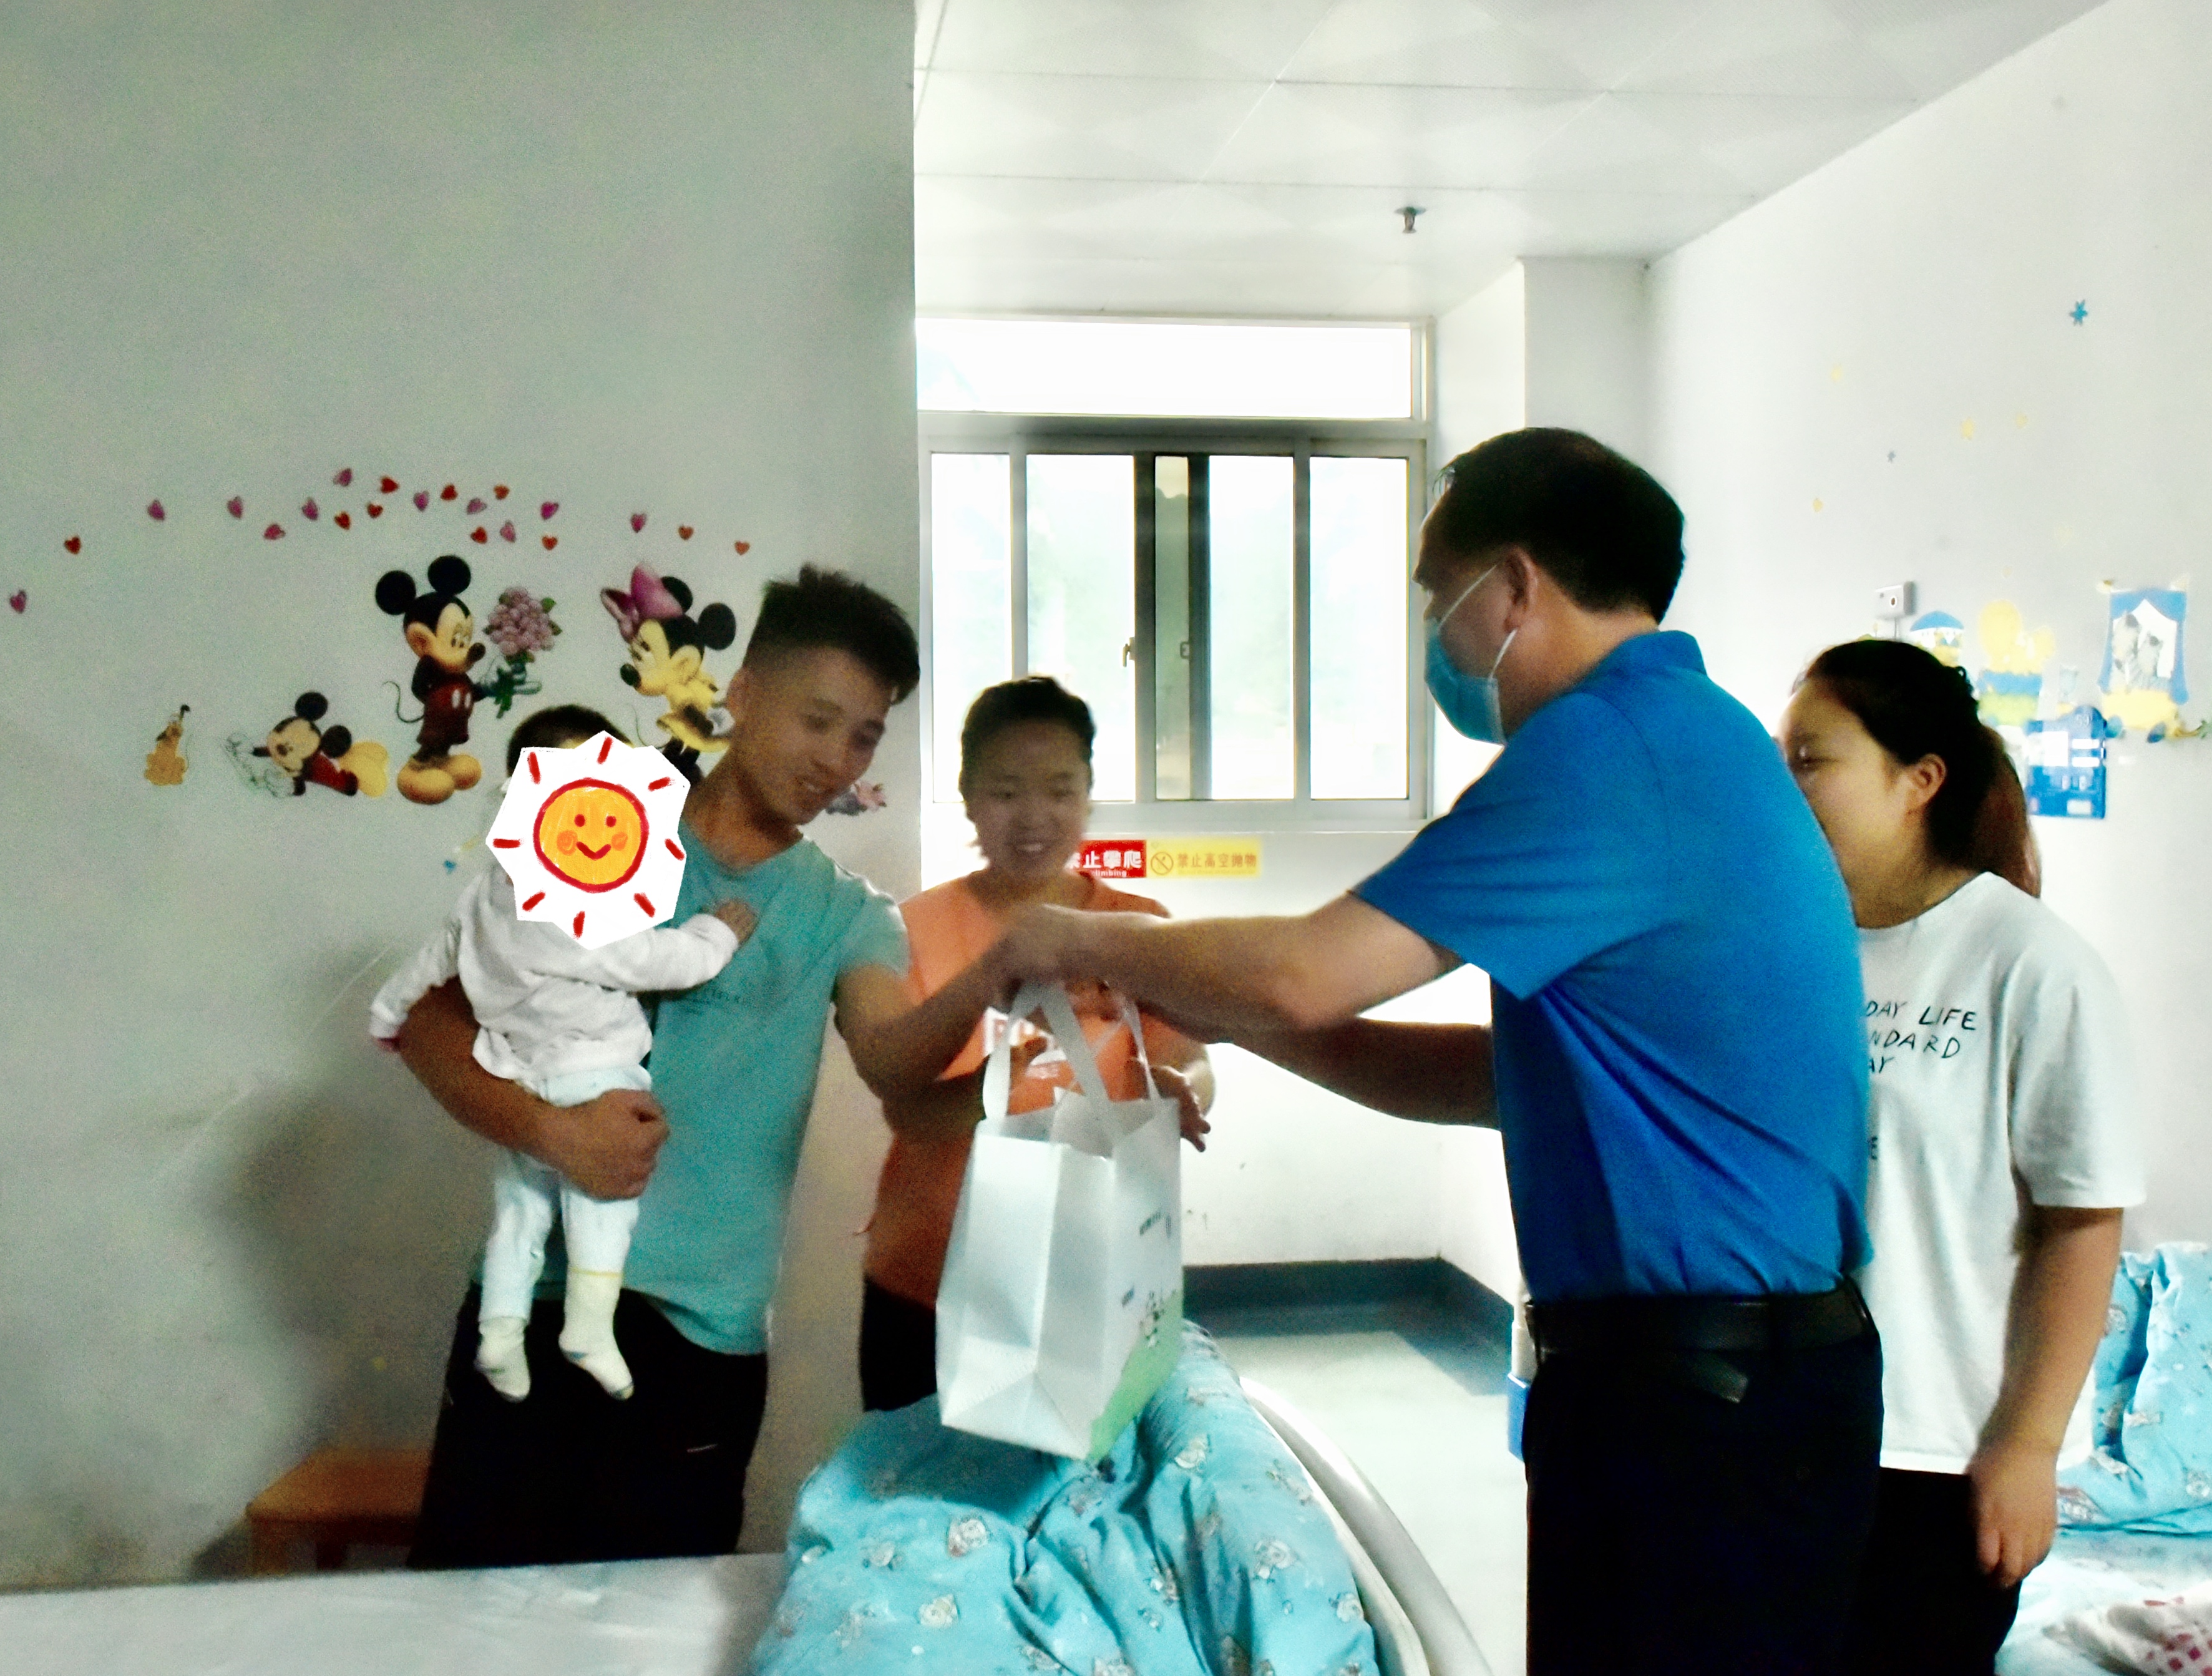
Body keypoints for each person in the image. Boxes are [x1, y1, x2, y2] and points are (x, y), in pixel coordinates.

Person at [995, 427, 1880, 1675]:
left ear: (1512, 587)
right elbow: (1494, 1081)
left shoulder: (1602, 751)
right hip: (1735, 1387)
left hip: (1699, 1404)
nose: (1432, 633)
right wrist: (1221, 1016)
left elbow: (1307, 968)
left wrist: (1078, 936)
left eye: (1435, 594)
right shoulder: (1696, 737)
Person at [389, 566, 1006, 1567]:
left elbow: (900, 1075)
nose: (837, 759)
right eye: (818, 720)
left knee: (653, 1630)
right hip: (532, 1300)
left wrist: (1013, 1015)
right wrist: (551, 1132)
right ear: (744, 693)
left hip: (700, 1344)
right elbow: (429, 1021)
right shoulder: (602, 827)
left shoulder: (848, 915)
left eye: (864, 736)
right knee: (471, 1611)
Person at [1783, 639, 2142, 1675]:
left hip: (1936, 1451)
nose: (1784, 786)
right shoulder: (1788, 947)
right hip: (1776, 1425)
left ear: (1920, 780)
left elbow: (2083, 1220)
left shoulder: (2029, 964)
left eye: (1811, 759)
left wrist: (2026, 1446)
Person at [369, 704, 756, 1403]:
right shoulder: (577, 907)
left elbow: (435, 957)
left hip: (518, 1069)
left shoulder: (489, 890)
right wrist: (718, 934)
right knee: (602, 1204)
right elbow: (660, 960)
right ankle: (588, 1327)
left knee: (520, 1209)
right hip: (592, 1070)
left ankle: (500, 1333)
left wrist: (388, 1012)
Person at [859, 676, 1212, 1413]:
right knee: (916, 1476)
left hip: (1087, 1275)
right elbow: (907, 1111)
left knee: (1075, 1477)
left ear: (1088, 794)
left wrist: (1180, 1091)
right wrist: (998, 1081)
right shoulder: (911, 928)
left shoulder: (1138, 923)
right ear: (967, 795)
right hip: (928, 1282)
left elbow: (1192, 1060)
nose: (1034, 816)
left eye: (1059, 790)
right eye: (1006, 791)